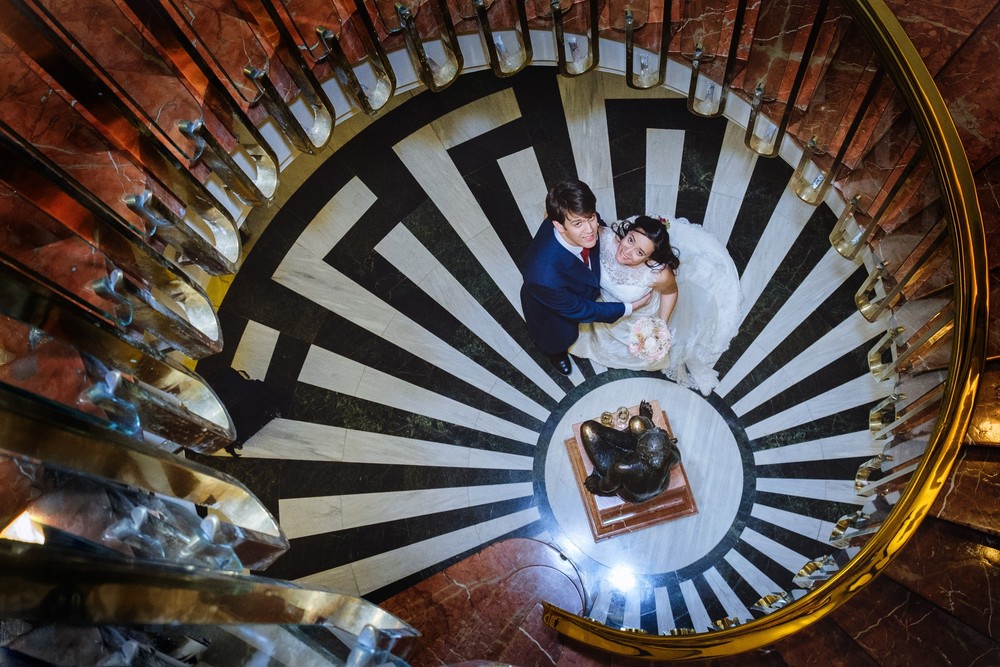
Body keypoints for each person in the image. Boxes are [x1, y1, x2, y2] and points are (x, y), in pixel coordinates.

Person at [570, 215, 741, 395]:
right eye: (630, 240)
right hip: (604, 310)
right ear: (627, 232)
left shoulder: (657, 273)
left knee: (640, 352)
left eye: (640, 253)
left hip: (636, 319)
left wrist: (660, 325)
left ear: (649, 258)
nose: (628, 251)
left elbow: (670, 292)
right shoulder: (603, 238)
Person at [520, 180, 651, 375]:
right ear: (559, 225)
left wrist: (607, 234)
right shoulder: (543, 276)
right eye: (578, 223)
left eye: (591, 217)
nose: (590, 230)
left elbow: (594, 225)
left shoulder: (583, 218)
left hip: (574, 287)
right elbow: (582, 310)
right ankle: (555, 353)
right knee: (558, 336)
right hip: (548, 307)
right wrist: (630, 308)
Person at [580, 400, 680, 504]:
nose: (657, 428)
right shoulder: (669, 454)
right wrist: (665, 443)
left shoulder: (621, 468)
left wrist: (597, 484)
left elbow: (606, 488)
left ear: (639, 447)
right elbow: (677, 459)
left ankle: (637, 430)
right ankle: (645, 422)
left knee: (588, 429)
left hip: (631, 493)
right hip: (659, 486)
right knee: (636, 421)